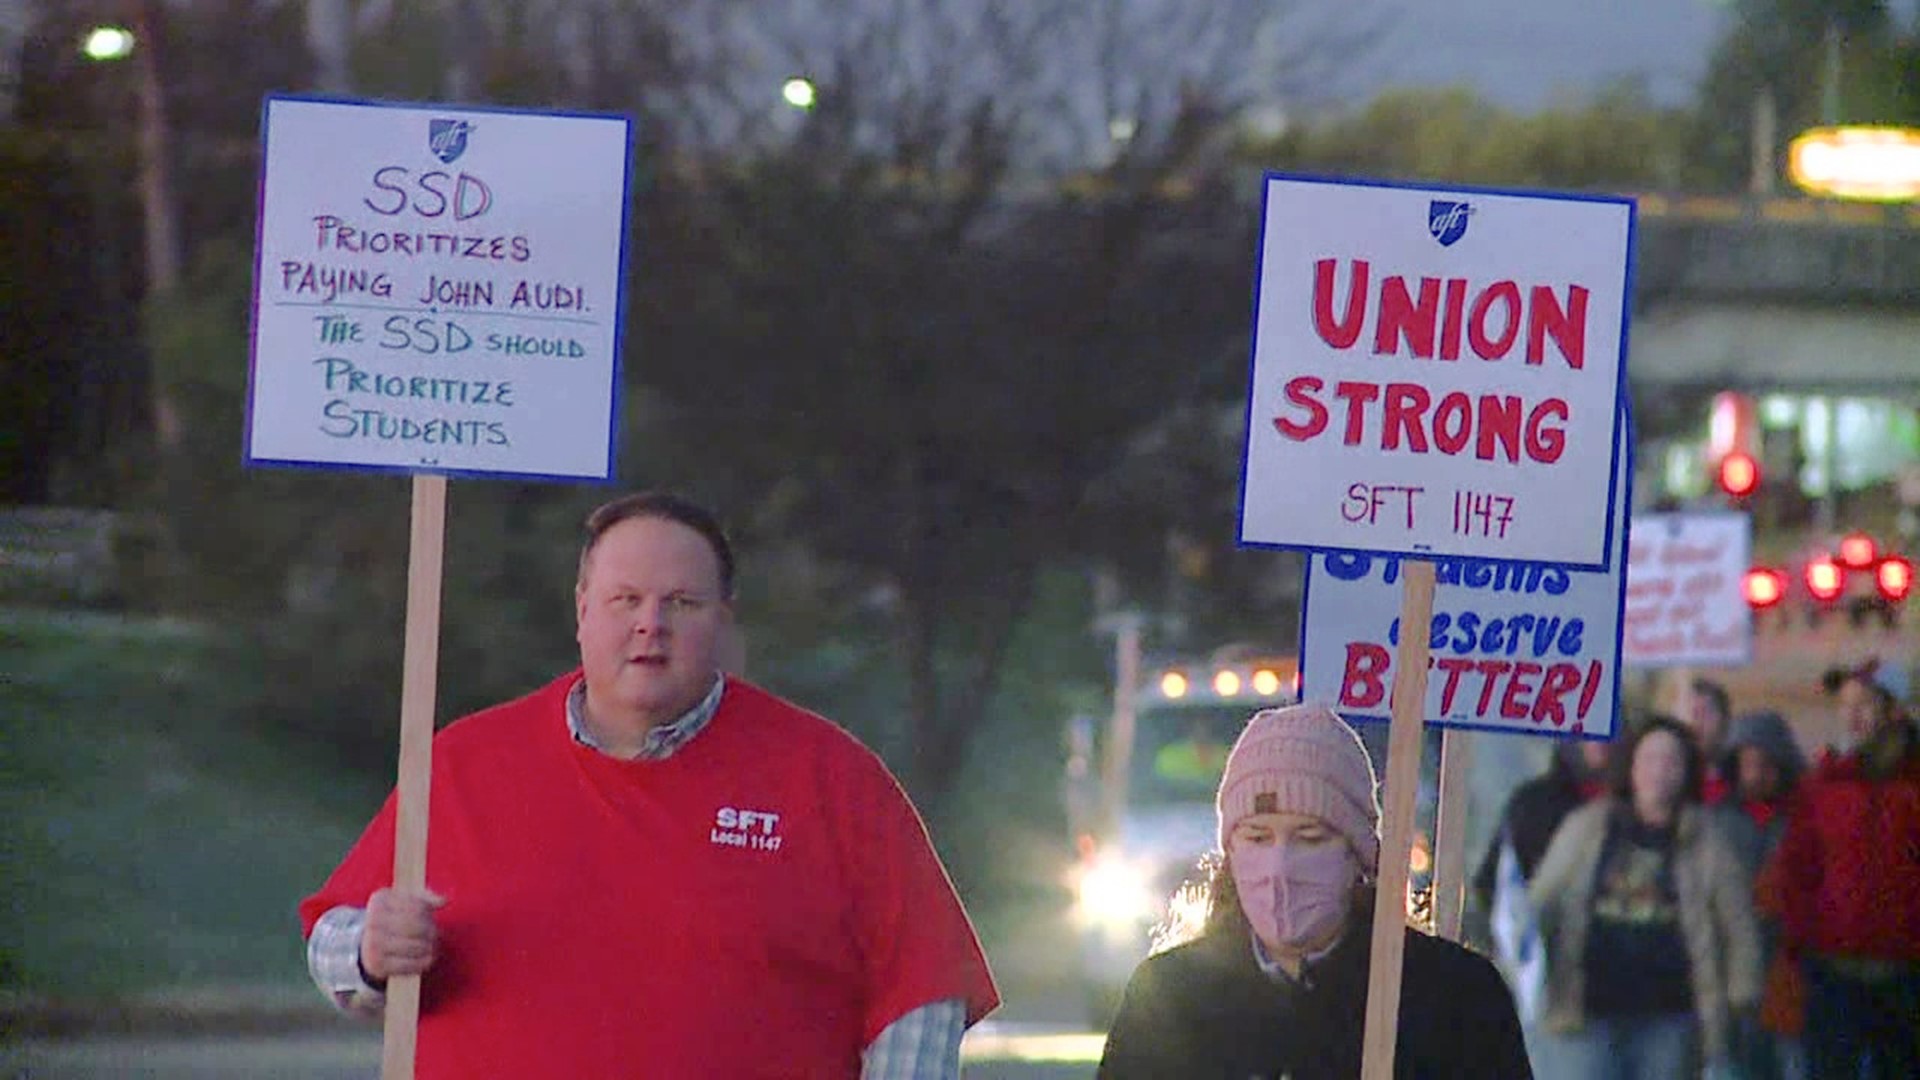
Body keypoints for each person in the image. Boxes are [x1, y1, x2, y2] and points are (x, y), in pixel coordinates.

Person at [298, 491, 999, 1079]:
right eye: (624, 598)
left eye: (682, 604)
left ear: (723, 618)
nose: (649, 625)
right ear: (581, 609)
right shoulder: (464, 763)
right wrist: (368, 953)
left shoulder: (831, 779)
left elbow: (922, 996)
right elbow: (336, 939)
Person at [1097, 702, 1532, 1078]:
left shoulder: (1453, 996)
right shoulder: (1167, 997)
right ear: (1230, 853)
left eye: (1310, 838)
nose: (1280, 867)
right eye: (1257, 838)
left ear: (1357, 855)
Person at [1529, 716, 1762, 1080]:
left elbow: (1738, 924)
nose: (1659, 771)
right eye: (1650, 758)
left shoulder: (1708, 841)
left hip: (1671, 1017)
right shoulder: (1588, 826)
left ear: (1686, 773)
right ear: (1631, 766)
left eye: (1671, 761)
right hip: (1587, 1012)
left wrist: (1741, 995)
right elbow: (1541, 899)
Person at [1765, 661, 1920, 1080]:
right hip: (1834, 976)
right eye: (1845, 704)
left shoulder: (1912, 785)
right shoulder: (1822, 786)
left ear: (1894, 711)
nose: (1852, 715)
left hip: (1905, 978)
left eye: (1865, 703)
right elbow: (1797, 872)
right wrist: (1805, 943)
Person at [1470, 738, 1611, 1074]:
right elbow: (1495, 882)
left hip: (1620, 980)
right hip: (1550, 976)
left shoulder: (1634, 808)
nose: (1602, 747)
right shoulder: (1535, 803)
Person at [1718, 711, 1808, 1080]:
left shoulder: (1804, 817)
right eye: (1747, 762)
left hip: (1793, 970)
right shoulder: (1716, 821)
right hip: (1734, 971)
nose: (1755, 773)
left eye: (1765, 762)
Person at [1685, 677, 1734, 805]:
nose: (1697, 723)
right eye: (1692, 714)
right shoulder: (1675, 776)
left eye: (1705, 713)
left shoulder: (1739, 776)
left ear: (1724, 720)